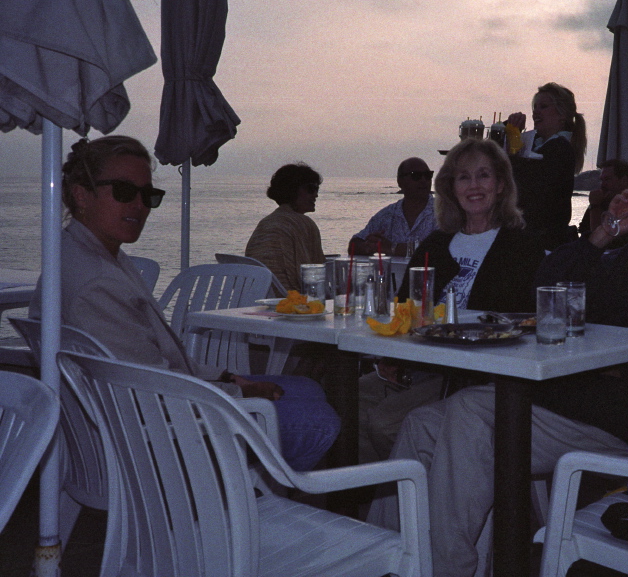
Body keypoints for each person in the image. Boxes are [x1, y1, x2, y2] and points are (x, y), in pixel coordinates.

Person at [368, 149, 628, 577]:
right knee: (421, 425)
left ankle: (449, 570)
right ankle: (388, 561)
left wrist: (620, 365)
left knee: (469, 413)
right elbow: (547, 285)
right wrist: (607, 231)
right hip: (577, 399)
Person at [30, 136, 340, 471]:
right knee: (321, 420)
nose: (139, 205)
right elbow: (155, 389)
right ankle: (246, 508)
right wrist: (239, 395)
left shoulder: (83, 257)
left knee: (307, 388)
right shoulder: (97, 282)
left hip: (133, 416)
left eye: (149, 195)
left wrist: (232, 379)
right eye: (123, 191)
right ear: (80, 194)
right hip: (156, 438)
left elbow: (152, 367)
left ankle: (252, 495)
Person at [358, 138, 546, 464]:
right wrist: (395, 356)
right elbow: (406, 306)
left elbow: (525, 320)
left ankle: (426, 491)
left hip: (474, 374)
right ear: (450, 187)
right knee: (347, 397)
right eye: (463, 177)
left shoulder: (521, 246)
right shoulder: (436, 243)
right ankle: (386, 494)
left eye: (483, 175)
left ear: (501, 184)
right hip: (423, 364)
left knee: (385, 423)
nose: (473, 185)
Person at [506, 82, 587, 251]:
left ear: (562, 114)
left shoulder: (560, 149)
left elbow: (528, 184)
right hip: (532, 238)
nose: (536, 112)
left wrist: (513, 142)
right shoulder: (538, 145)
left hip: (543, 243)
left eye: (543, 106)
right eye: (535, 107)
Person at [245, 163, 326, 292]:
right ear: (293, 190)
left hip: (257, 295)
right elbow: (316, 274)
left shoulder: (266, 223)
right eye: (311, 189)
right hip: (289, 300)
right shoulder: (304, 223)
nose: (316, 195)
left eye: (317, 190)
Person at [347, 157, 438, 257]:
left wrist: (392, 248)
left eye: (428, 175)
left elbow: (441, 249)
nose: (423, 180)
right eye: (416, 176)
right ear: (400, 181)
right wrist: (369, 246)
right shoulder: (387, 215)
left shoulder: (445, 213)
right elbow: (354, 244)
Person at [577, 158, 628, 248]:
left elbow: (598, 244)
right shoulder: (601, 202)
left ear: (623, 180)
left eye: (607, 179)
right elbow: (588, 239)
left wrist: (595, 205)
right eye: (601, 180)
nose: (602, 184)